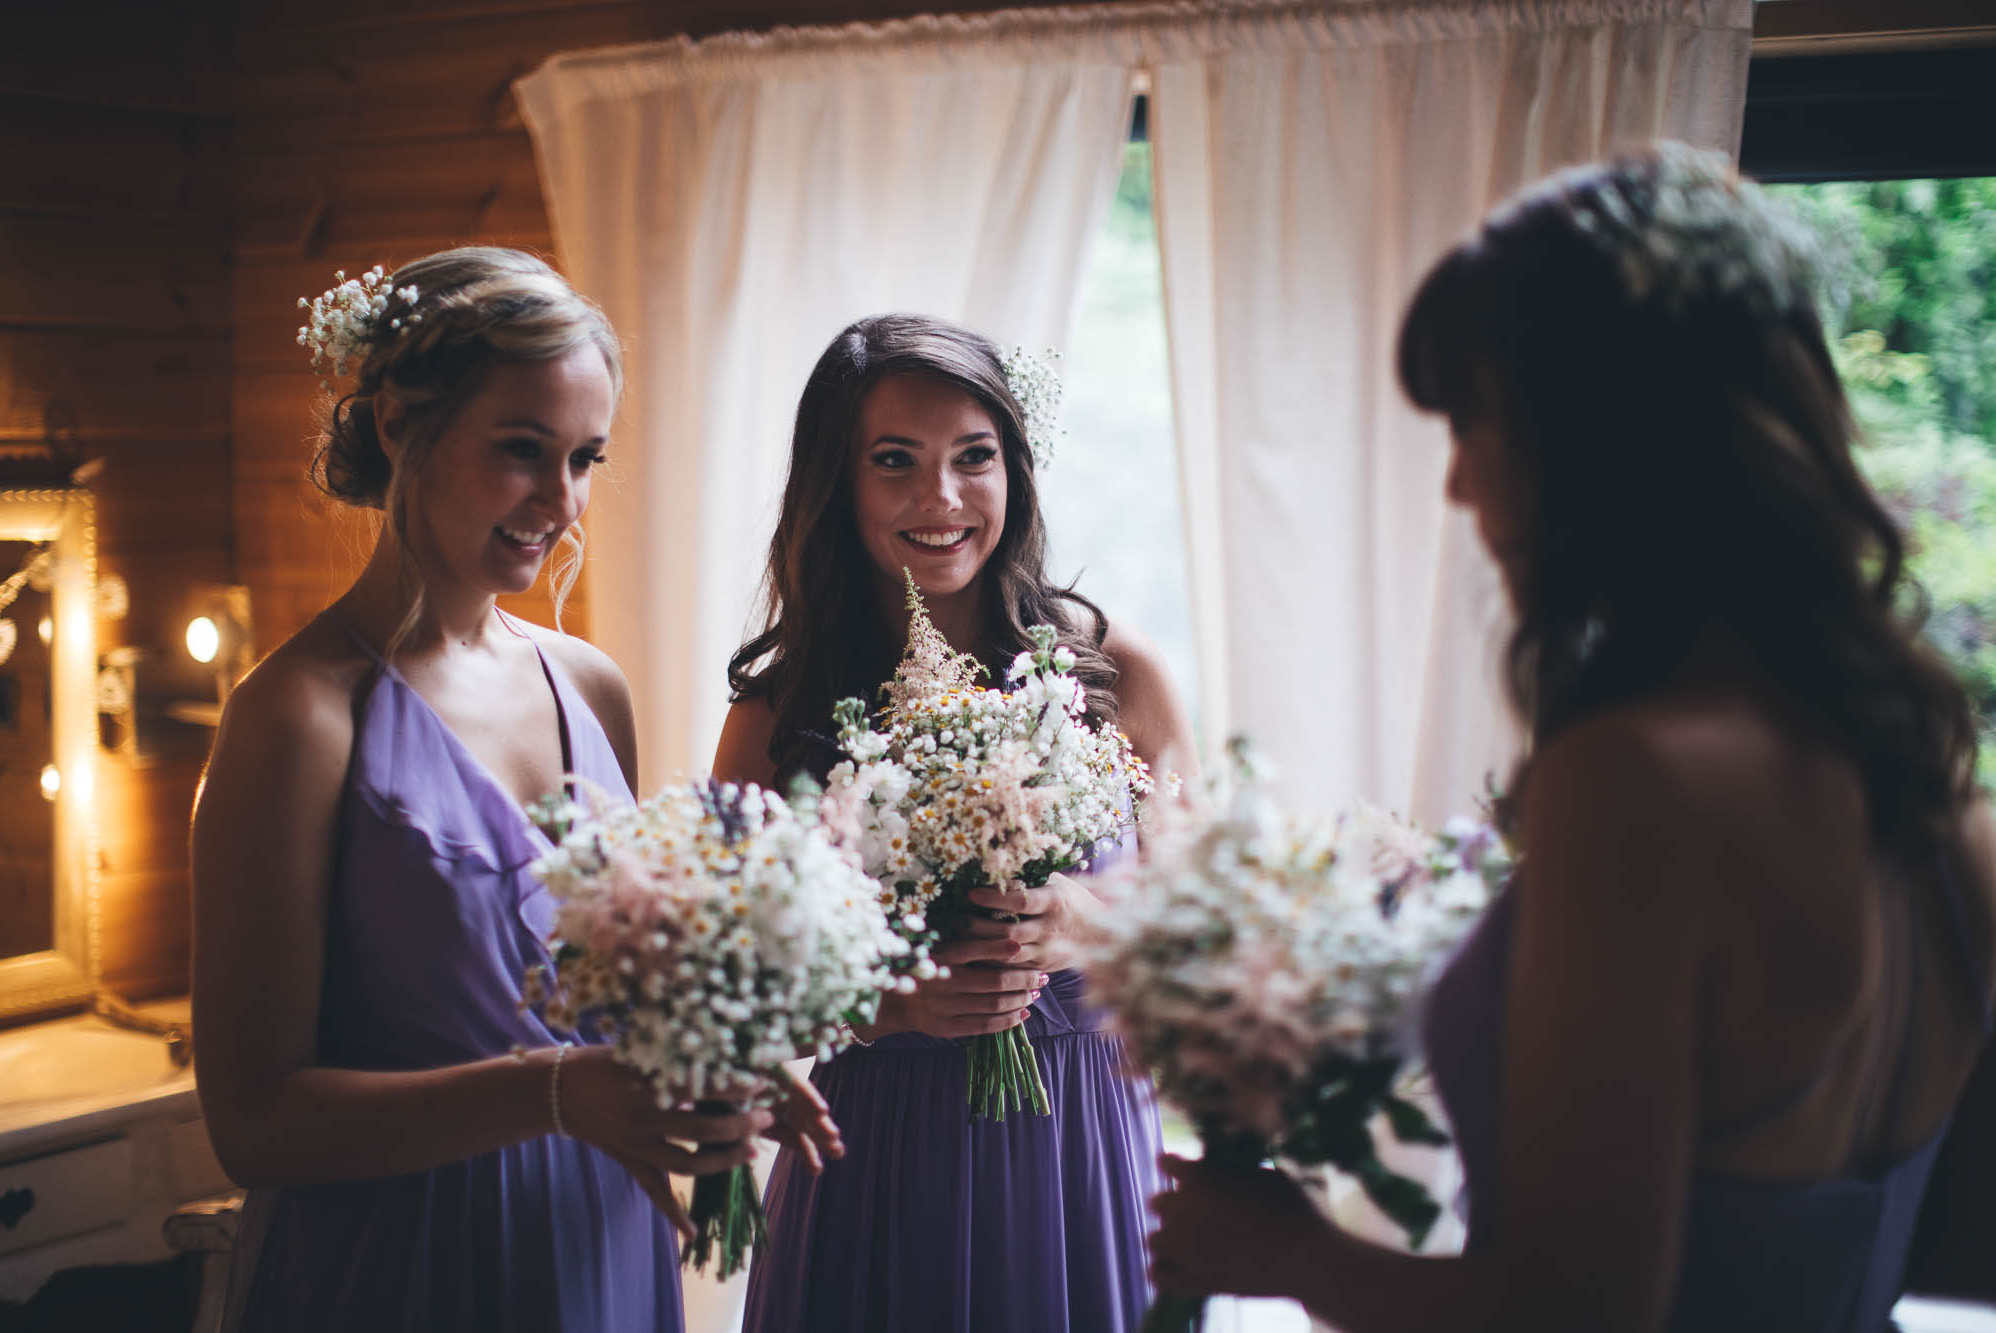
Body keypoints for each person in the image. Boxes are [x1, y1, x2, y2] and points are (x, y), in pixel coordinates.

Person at [1147, 144, 1996, 1331]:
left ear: (1597, 439)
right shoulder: (1936, 788)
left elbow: (1577, 1313)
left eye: (1475, 422)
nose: (1456, 485)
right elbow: (1960, 1244)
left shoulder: (1639, 779)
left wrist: (1290, 1255)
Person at [191, 246, 835, 1332]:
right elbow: (252, 1124)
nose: (561, 500)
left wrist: (712, 1058)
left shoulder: (589, 684)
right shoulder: (298, 715)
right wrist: (550, 1095)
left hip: (599, 1242)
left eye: (584, 457)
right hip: (404, 1263)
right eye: (521, 451)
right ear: (400, 426)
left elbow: (609, 993)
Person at [715, 314, 1198, 1332]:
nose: (940, 499)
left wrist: (1077, 918)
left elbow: (1210, 935)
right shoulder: (777, 717)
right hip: (883, 1158)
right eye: (895, 461)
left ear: (1012, 473)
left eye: (972, 458)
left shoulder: (1117, 676)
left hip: (1085, 1145)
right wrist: (892, 1003)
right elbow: (733, 1004)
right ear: (835, 483)